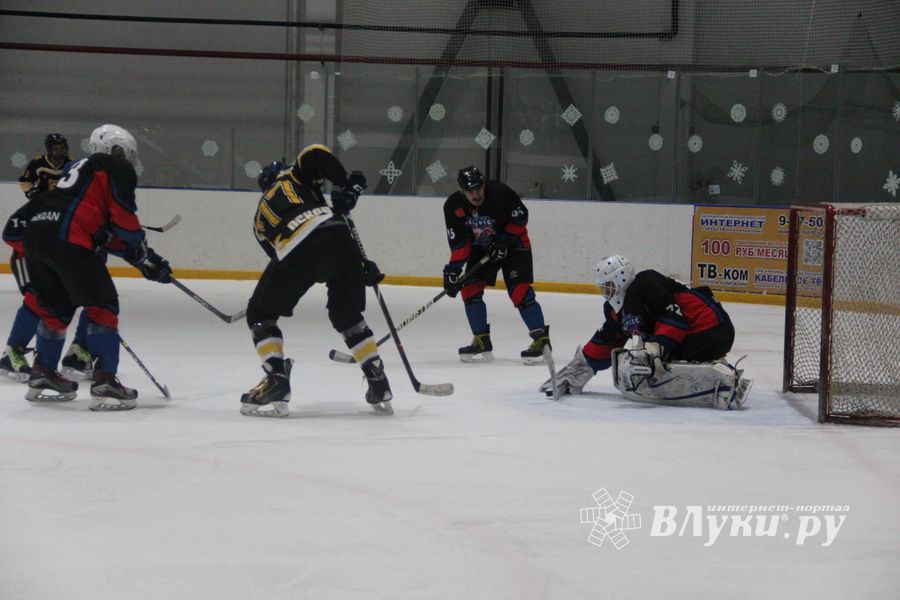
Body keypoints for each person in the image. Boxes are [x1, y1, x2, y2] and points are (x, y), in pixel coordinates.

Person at [22, 124, 172, 411]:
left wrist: (140, 258)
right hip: (69, 239)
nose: (128, 160)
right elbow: (124, 218)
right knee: (103, 304)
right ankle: (105, 381)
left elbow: (103, 232)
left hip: (38, 238)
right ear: (115, 150)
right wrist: (140, 250)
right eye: (127, 153)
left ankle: (42, 372)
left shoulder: (78, 170)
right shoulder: (113, 166)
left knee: (57, 308)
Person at [241, 145, 391, 417]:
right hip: (340, 241)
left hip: (299, 246)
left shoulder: (260, 218)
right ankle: (377, 377)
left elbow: (283, 259)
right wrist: (347, 184)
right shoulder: (298, 180)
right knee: (347, 315)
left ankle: (277, 379)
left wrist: (271, 294)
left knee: (261, 313)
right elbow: (315, 154)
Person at [540, 255, 751, 409]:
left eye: (609, 286)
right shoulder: (619, 308)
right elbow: (609, 339)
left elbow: (675, 319)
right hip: (704, 334)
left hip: (711, 329)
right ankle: (716, 372)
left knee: (639, 366)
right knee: (639, 363)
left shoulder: (645, 284)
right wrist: (579, 369)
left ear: (621, 278)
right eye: (603, 288)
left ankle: (720, 384)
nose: (606, 293)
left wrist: (654, 351)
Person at [0, 134, 93, 381]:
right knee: (38, 301)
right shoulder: (41, 201)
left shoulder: (75, 206)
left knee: (90, 298)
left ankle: (79, 351)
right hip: (28, 259)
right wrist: (42, 250)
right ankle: (14, 352)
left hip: (53, 262)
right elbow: (10, 233)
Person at [442, 165, 550, 364]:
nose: (476, 194)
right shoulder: (453, 206)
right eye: (470, 191)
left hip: (514, 244)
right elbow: (461, 244)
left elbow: (521, 217)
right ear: (461, 191)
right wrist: (453, 270)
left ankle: (541, 340)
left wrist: (504, 240)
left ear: (484, 185)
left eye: (478, 189)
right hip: (483, 249)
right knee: (470, 289)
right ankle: (481, 340)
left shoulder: (500, 192)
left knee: (519, 291)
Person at [18, 133, 69, 199]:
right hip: (42, 203)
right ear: (49, 150)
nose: (60, 152)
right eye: (56, 149)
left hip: (64, 203)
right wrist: (32, 191)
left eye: (62, 148)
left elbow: (78, 184)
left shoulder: (71, 163)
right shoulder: (37, 163)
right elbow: (25, 181)